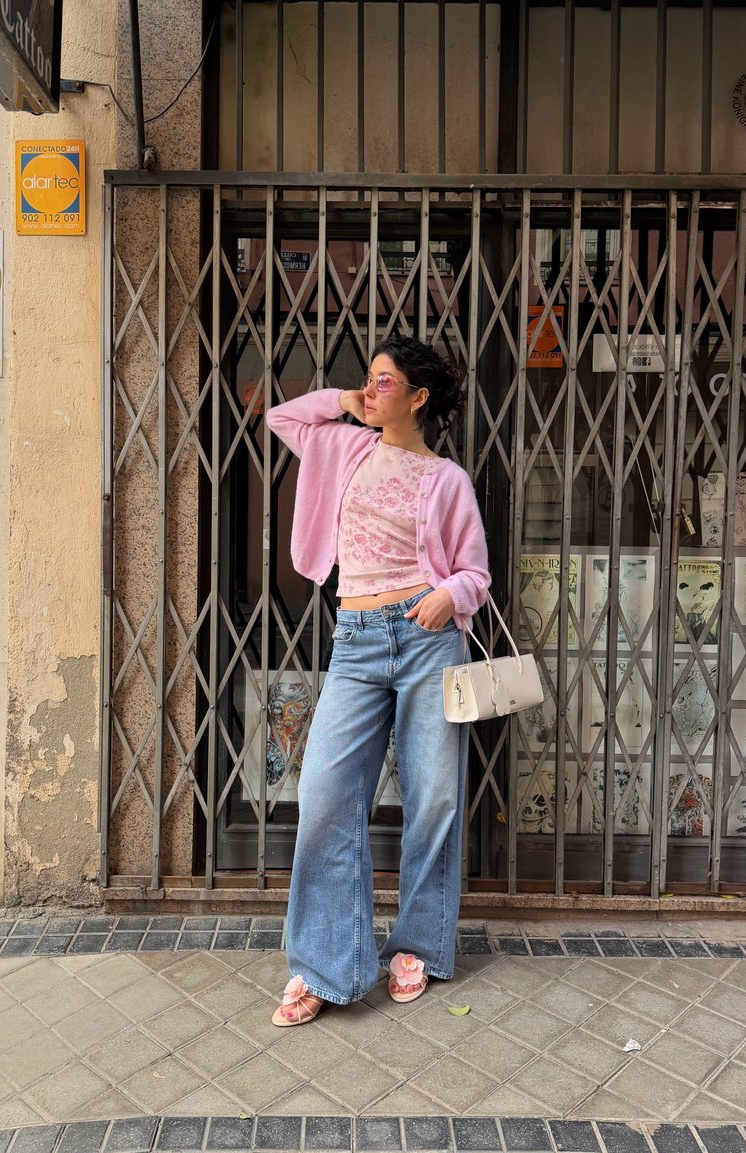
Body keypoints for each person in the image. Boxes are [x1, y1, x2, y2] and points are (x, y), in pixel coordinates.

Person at [265, 336, 490, 1027]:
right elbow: (284, 419)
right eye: (371, 379)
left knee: (433, 797)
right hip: (357, 643)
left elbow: (476, 575)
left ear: (419, 399)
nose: (373, 391)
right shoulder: (344, 447)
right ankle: (323, 963)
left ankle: (416, 943)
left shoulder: (447, 479)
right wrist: (344, 398)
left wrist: (450, 595)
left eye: (386, 382)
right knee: (326, 791)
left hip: (428, 642)